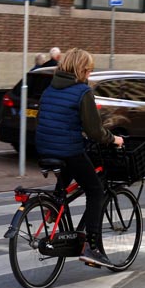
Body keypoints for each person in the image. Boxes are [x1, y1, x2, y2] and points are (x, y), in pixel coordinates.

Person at [35, 48, 123, 268]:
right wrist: (114, 140)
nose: (90, 75)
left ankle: (52, 210)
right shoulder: (82, 91)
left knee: (65, 181)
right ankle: (92, 248)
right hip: (67, 150)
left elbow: (49, 119)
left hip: (44, 148)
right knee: (95, 190)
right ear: (82, 69)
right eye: (89, 70)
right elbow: (94, 131)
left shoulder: (50, 88)